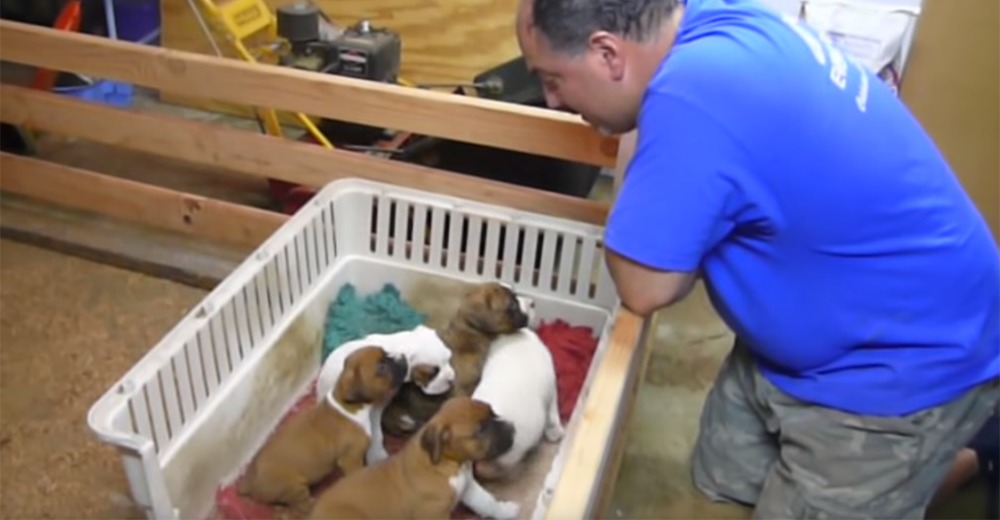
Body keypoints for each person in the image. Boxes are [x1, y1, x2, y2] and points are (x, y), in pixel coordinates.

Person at [515, 0, 1000, 518]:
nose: (552, 100)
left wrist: (641, 149)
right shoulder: (701, 20)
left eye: (553, 78)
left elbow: (644, 285)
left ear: (608, 53)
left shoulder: (696, 94)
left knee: (855, 493)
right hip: (812, 327)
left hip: (904, 361)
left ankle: (961, 459)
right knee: (721, 480)